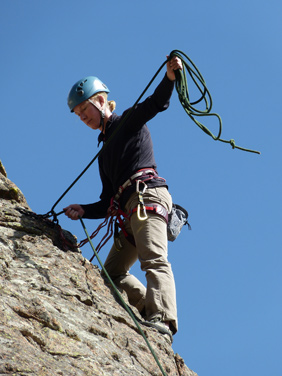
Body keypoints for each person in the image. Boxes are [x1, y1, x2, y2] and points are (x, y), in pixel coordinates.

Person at [64, 55, 183, 343]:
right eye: (79, 114)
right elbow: (107, 202)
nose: (83, 116)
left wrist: (170, 78)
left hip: (147, 197)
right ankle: (147, 309)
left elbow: (155, 104)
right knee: (112, 274)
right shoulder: (103, 155)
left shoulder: (127, 122)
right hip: (129, 209)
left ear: (102, 101)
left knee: (153, 259)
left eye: (85, 108)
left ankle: (163, 318)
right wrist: (84, 209)